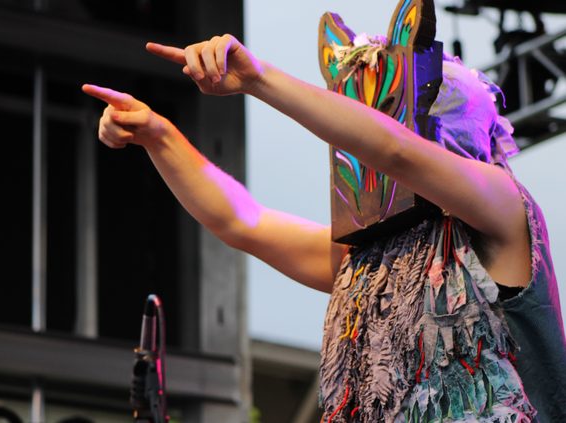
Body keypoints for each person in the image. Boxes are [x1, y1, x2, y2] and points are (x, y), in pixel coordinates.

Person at [82, 33, 566, 422]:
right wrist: (159, 136)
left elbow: (395, 151)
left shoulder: (502, 210)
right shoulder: (371, 260)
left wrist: (259, 79)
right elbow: (242, 221)